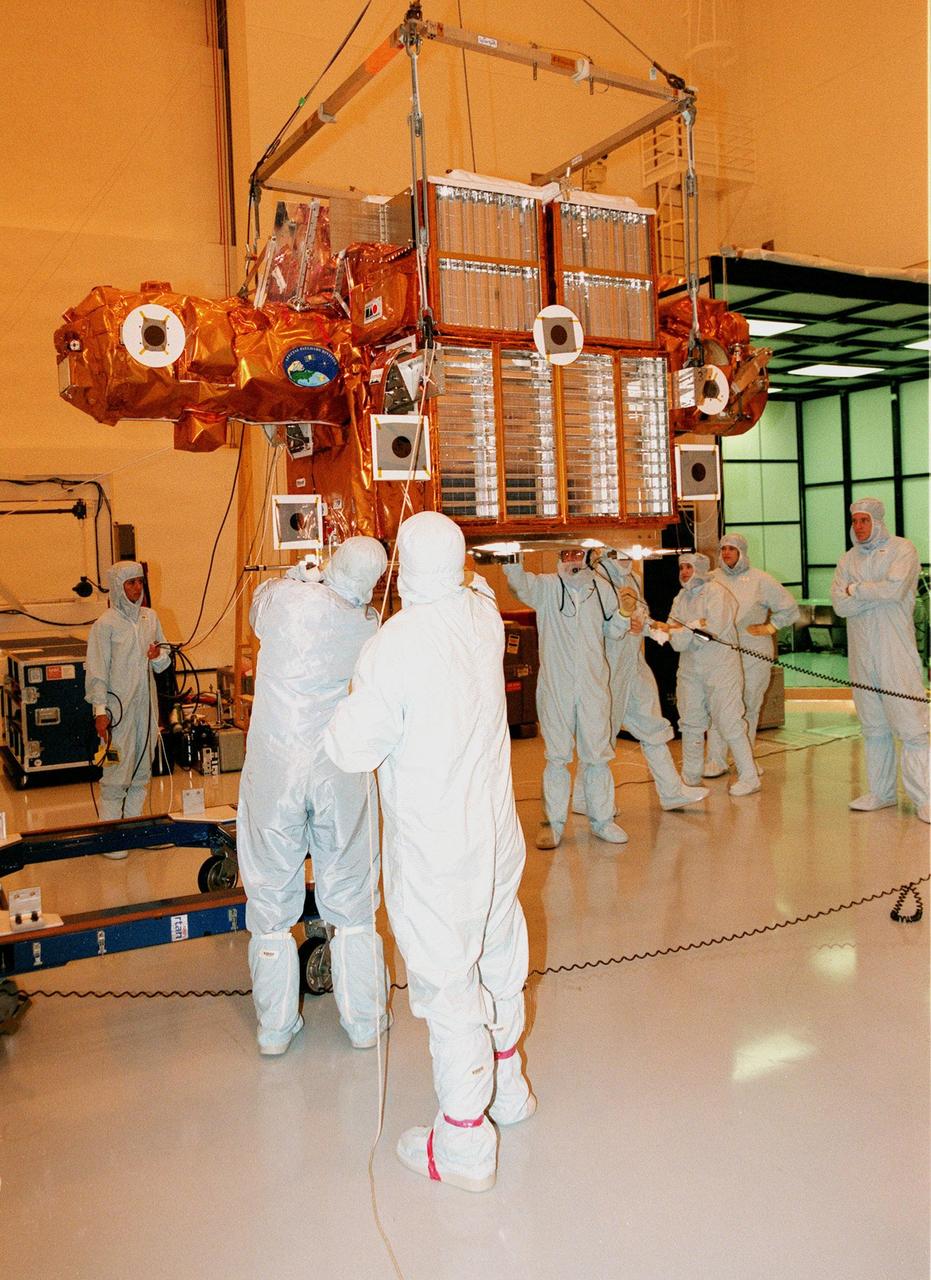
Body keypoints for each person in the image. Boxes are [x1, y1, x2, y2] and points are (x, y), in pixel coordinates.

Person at [324, 512, 532, 1194]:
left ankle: (464, 1142)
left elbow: (352, 749)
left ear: (401, 571)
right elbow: (468, 587)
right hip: (496, 833)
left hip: (437, 846)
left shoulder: (395, 643)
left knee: (448, 982)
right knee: (499, 952)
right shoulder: (483, 618)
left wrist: (341, 702)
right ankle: (508, 1089)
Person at [236, 537, 391, 1057]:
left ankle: (275, 1029)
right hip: (337, 772)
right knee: (351, 898)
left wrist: (300, 577)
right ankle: (365, 1021)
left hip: (276, 769)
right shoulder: (369, 626)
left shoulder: (288, 602)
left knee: (271, 899)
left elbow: (257, 603)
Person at [503, 548, 628, 849]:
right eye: (567, 555)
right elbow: (520, 584)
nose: (572, 561)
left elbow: (614, 631)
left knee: (597, 755)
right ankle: (553, 825)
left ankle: (603, 820)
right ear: (560, 559)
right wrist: (510, 557)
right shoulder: (546, 587)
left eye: (578, 555)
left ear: (587, 557)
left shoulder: (601, 589)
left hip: (593, 686)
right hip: (556, 685)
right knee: (556, 756)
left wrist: (625, 619)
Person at [830, 498, 929, 822]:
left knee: (912, 725)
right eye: (855, 521)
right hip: (862, 653)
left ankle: (926, 797)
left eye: (864, 520)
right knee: (873, 725)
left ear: (878, 521)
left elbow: (895, 591)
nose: (859, 527)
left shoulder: (903, 550)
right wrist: (868, 593)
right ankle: (882, 793)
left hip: (895, 650)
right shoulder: (847, 559)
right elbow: (839, 605)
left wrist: (855, 589)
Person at [595, 551, 709, 811]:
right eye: (620, 552)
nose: (626, 557)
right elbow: (594, 627)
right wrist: (623, 623)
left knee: (653, 727)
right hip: (609, 669)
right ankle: (588, 800)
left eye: (630, 551)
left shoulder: (634, 578)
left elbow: (642, 618)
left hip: (634, 665)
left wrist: (662, 627)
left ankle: (671, 791)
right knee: (601, 738)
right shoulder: (596, 582)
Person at [85, 560, 171, 853]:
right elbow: (97, 671)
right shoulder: (105, 625)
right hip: (116, 712)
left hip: (145, 709)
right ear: (118, 588)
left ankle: (134, 832)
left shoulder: (150, 618)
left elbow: (164, 662)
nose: (137, 588)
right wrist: (100, 712)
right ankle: (110, 839)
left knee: (141, 769)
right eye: (130, 583)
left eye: (139, 582)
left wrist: (157, 654)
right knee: (116, 772)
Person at [665, 553, 760, 796]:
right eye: (682, 568)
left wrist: (688, 629)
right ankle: (690, 776)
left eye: (689, 567)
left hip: (721, 668)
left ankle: (749, 776)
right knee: (690, 721)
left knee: (729, 721)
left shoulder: (717, 593)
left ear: (701, 569)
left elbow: (713, 631)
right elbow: (674, 639)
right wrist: (695, 625)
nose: (685, 572)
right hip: (689, 669)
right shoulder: (680, 598)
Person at [704, 534, 800, 775]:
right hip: (721, 649)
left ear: (742, 552)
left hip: (753, 649)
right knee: (719, 704)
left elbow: (789, 607)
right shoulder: (711, 580)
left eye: (732, 549)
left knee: (749, 704)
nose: (726, 553)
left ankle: (745, 760)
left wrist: (770, 627)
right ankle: (716, 759)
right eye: (723, 548)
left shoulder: (760, 580)